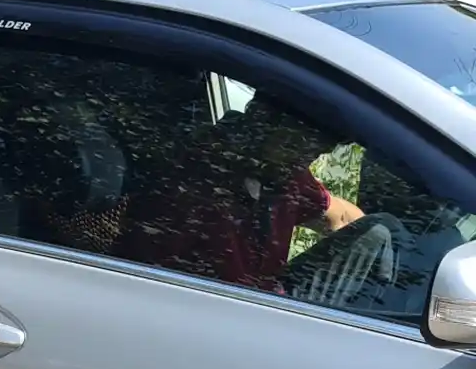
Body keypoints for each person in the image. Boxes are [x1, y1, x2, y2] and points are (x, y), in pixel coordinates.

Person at [120, 93, 365, 295]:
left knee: (378, 230)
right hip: (222, 316)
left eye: (316, 152)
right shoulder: (195, 185)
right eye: (294, 146)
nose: (302, 162)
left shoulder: (279, 172)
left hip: (264, 305)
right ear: (260, 120)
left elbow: (342, 215)